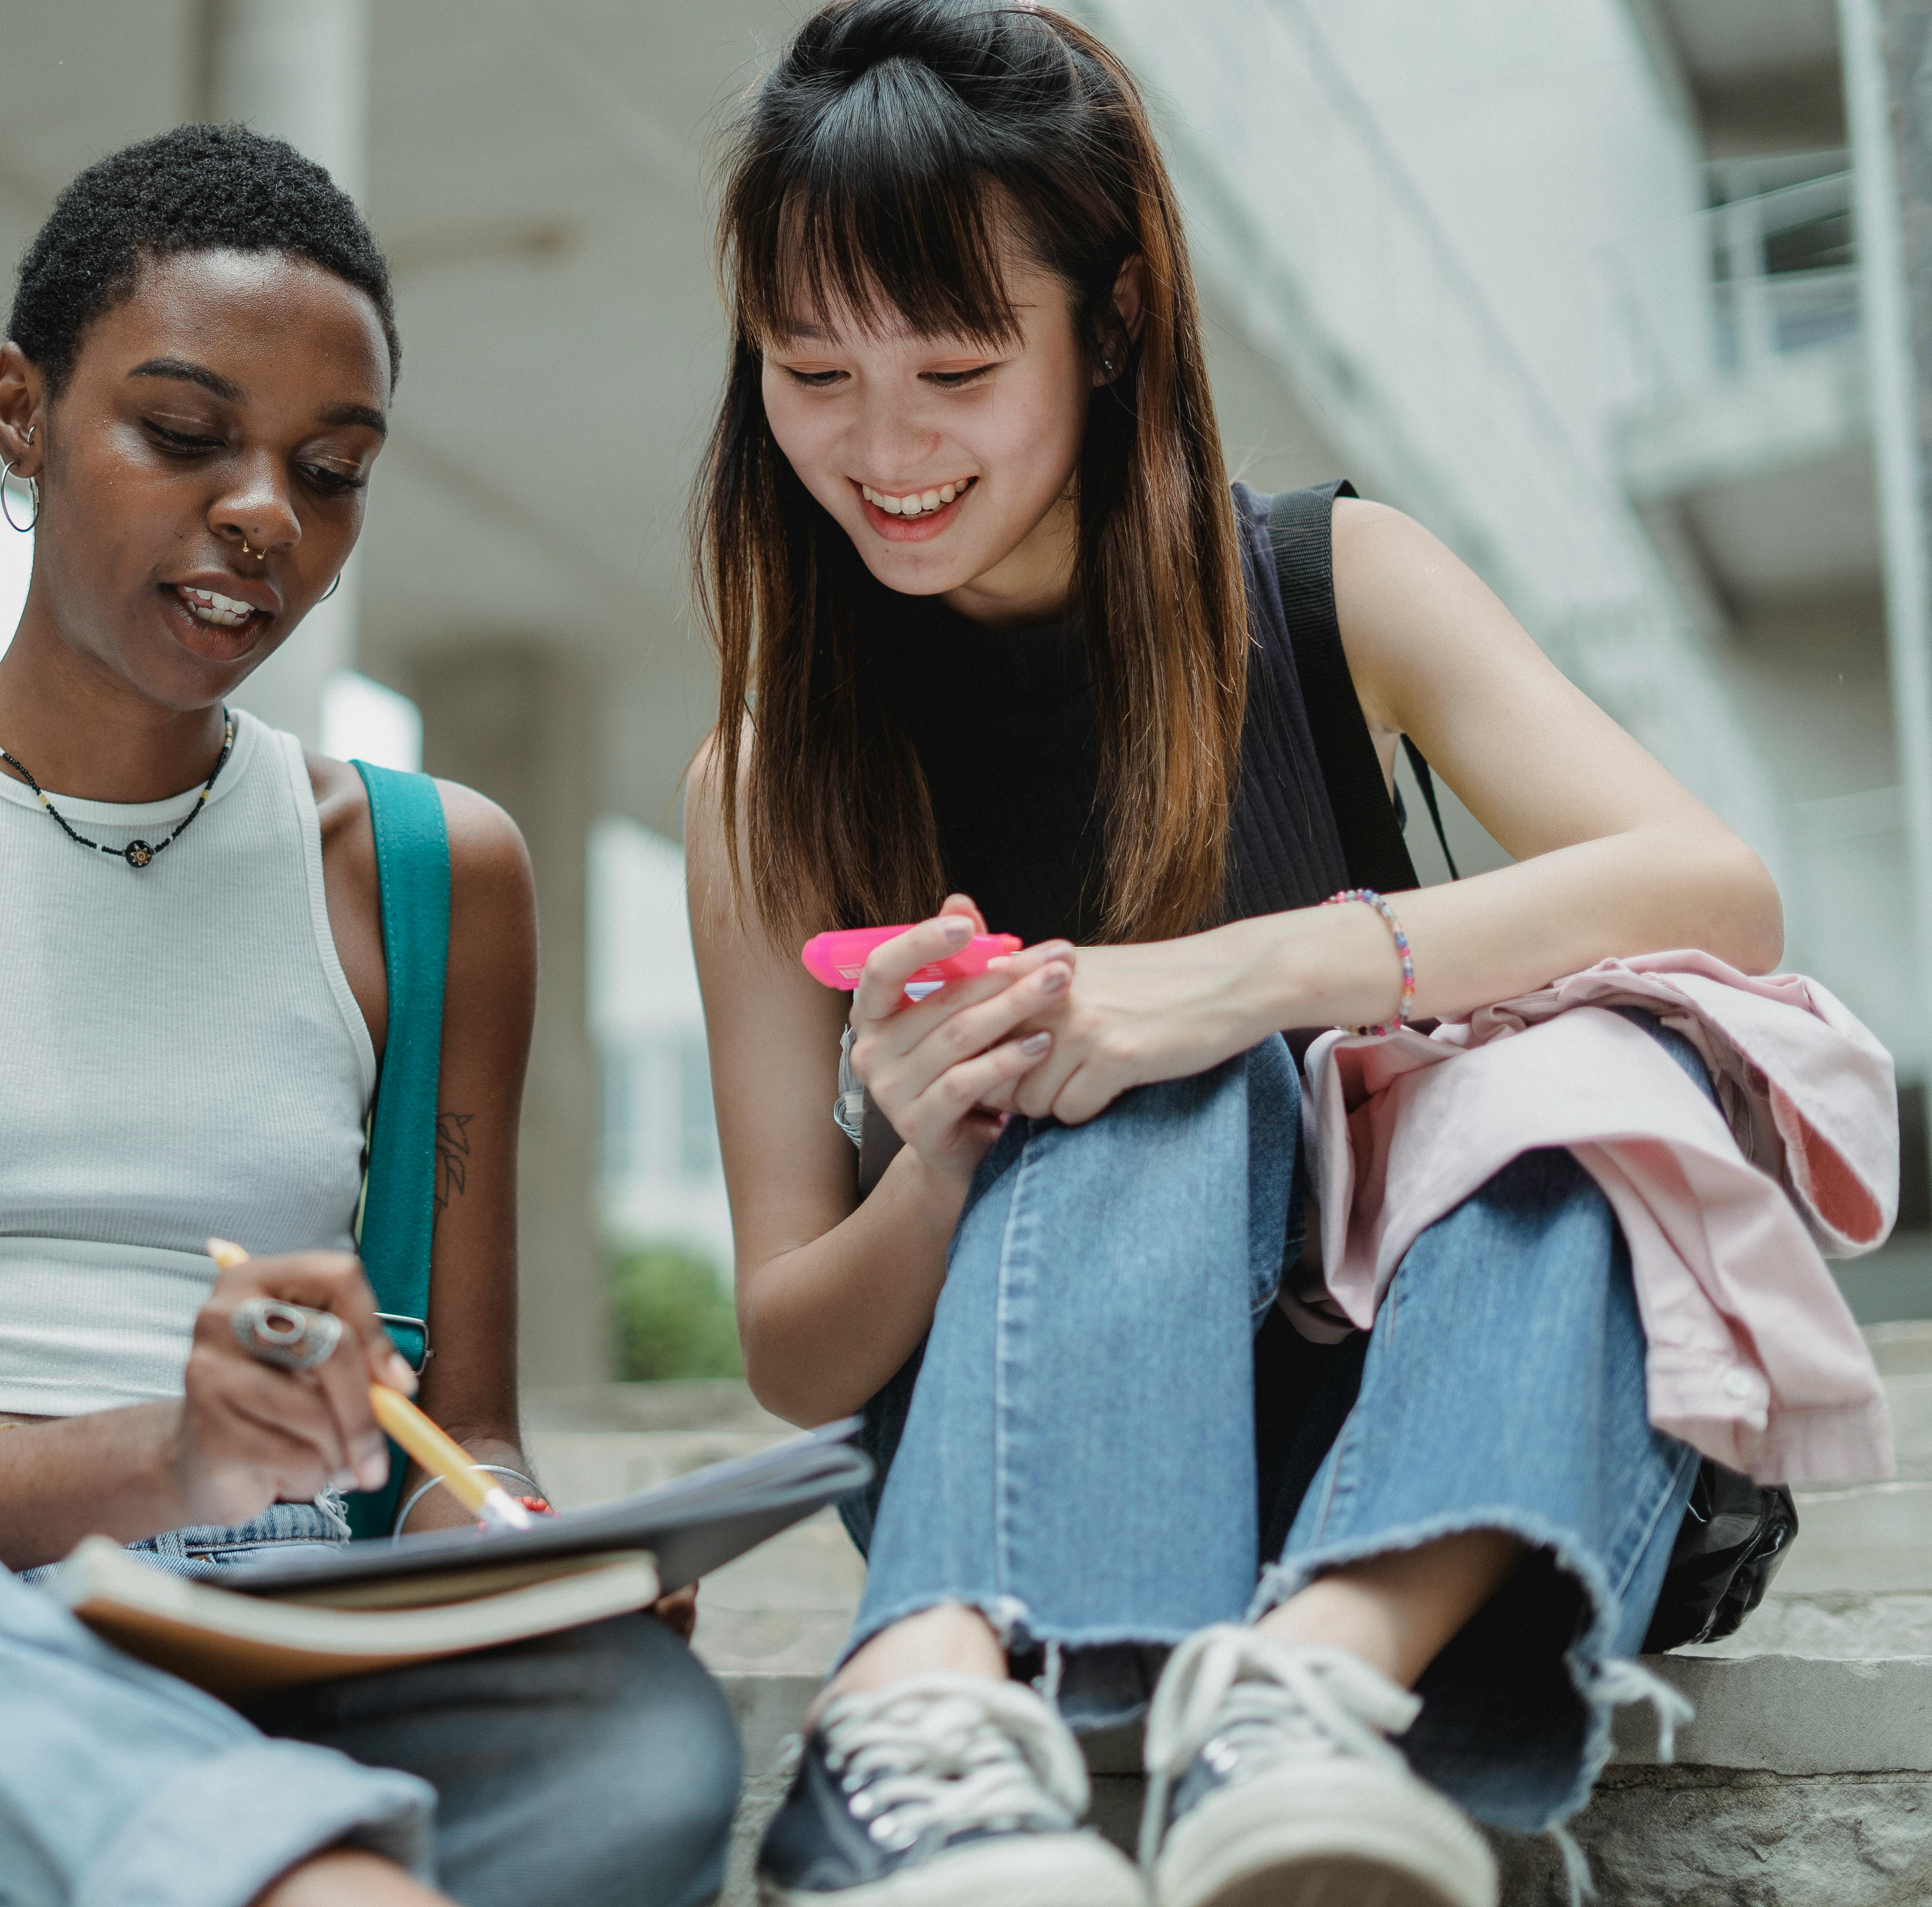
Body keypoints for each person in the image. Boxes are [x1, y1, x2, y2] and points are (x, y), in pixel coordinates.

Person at [0, 124, 739, 1907]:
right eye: (184, 437)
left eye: (331, 471)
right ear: (21, 411)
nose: (265, 511)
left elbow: (453, 1427)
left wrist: (511, 1535)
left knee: (641, 1727)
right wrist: (162, 1459)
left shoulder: (433, 873)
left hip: (287, 1642)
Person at [683, 7, 1784, 1907]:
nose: (880, 449)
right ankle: (910, 1714)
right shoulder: (771, 777)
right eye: (810, 372)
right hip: (1033, 1462)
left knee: (1598, 1068)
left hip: (1459, 1449)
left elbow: (1716, 891)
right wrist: (943, 1158)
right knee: (1137, 1069)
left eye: (954, 365)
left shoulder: (1324, 584)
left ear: (1110, 327)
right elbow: (795, 1349)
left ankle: (1304, 1703)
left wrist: (1234, 977)